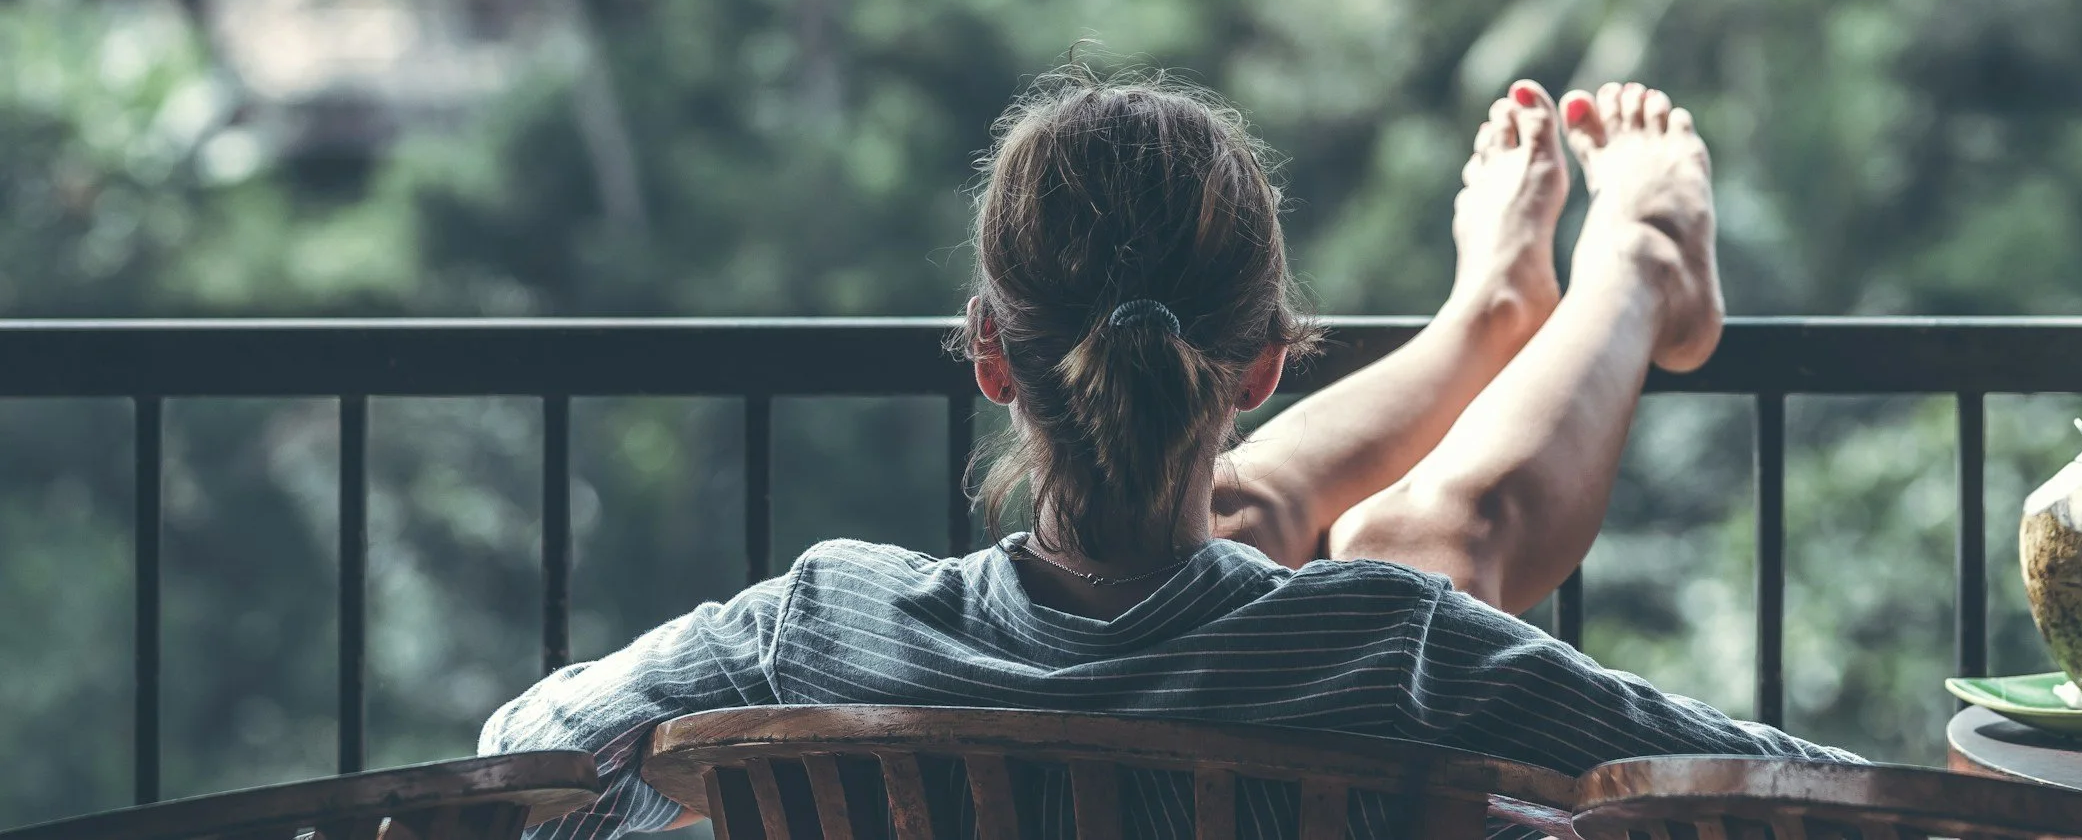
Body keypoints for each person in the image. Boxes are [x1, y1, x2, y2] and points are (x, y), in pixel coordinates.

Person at [481, 72, 1852, 840]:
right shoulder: (1395, 650)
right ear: (1263, 361)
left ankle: (1504, 309)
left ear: (988, 353)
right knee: (1402, 544)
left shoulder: (821, 630)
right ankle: (1616, 264)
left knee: (1320, 539)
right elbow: (1793, 799)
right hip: (1328, 629)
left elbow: (524, 753)